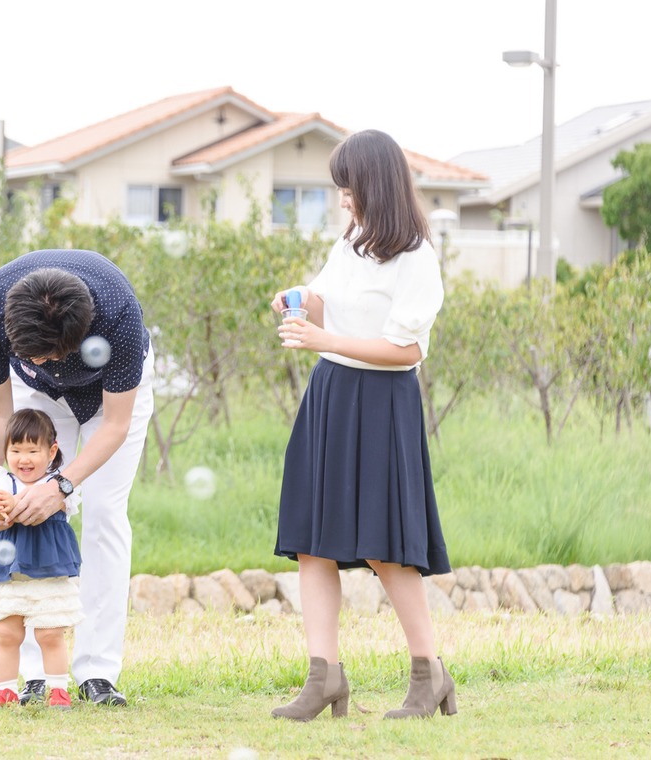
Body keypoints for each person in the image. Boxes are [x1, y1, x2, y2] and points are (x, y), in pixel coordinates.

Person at [269, 130, 456, 722]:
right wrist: (297, 299)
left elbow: (405, 350)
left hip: (382, 401)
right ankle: (323, 678)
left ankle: (430, 675)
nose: (341, 198)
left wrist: (323, 338)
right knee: (311, 542)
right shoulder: (350, 242)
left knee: (386, 550)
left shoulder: (417, 257)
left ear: (372, 183)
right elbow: (324, 302)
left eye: (346, 186)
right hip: (330, 393)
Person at [0, 249, 154, 707]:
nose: (49, 364)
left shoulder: (119, 315)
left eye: (55, 355)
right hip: (39, 400)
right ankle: (35, 674)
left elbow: (113, 425)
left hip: (112, 401)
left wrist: (63, 484)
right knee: (29, 513)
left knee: (105, 514)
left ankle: (98, 672)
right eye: (37, 356)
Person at [0, 409, 83, 709]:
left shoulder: (58, 484)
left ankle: (58, 689)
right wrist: (0, 509)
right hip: (12, 570)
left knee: (50, 632)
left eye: (33, 450)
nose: (24, 459)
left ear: (51, 451)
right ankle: (5, 688)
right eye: (16, 450)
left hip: (48, 568)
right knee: (7, 632)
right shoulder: (3, 483)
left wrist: (18, 502)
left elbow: (52, 509)